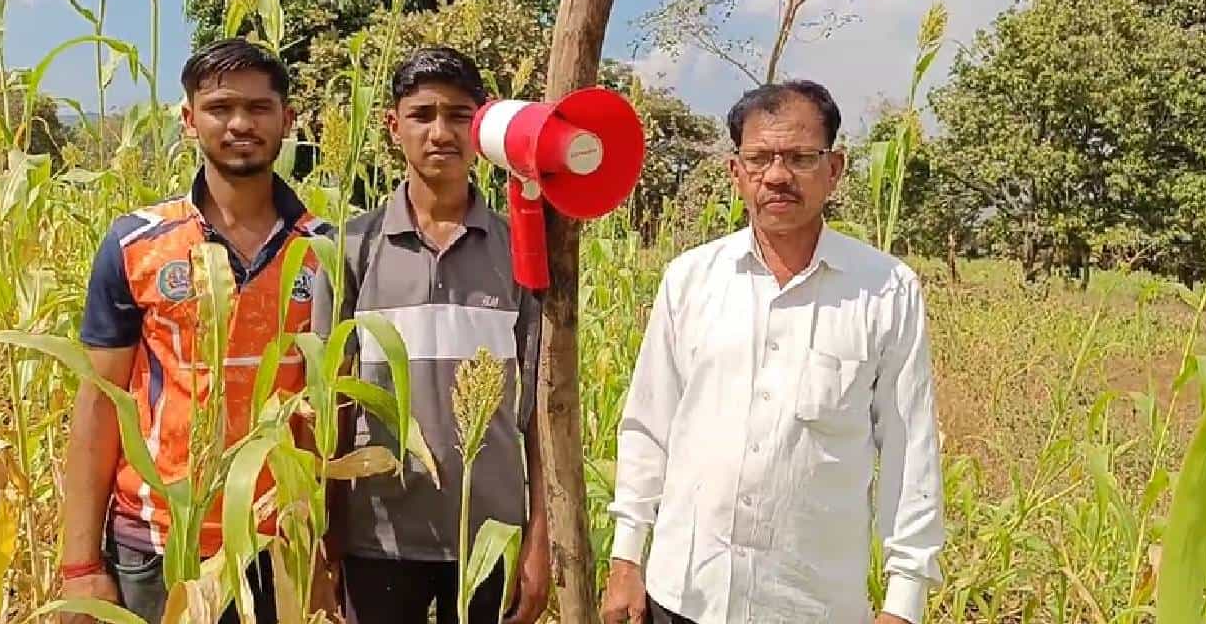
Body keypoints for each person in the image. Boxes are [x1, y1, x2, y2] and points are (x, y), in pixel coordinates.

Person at [600, 81, 946, 624]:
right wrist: (626, 556)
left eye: (801, 158)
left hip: (809, 604)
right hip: (686, 593)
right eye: (759, 158)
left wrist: (904, 601)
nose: (778, 176)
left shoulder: (886, 289)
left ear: (835, 169)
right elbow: (649, 425)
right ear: (736, 172)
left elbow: (912, 447)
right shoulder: (690, 279)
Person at [58, 38, 329, 624]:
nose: (240, 124)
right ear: (189, 120)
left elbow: (335, 411)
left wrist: (327, 551)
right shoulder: (137, 243)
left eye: (259, 109)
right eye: (220, 107)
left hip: (279, 544)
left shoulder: (327, 251)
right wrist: (80, 565)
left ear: (287, 119)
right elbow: (99, 406)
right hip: (156, 543)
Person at [312, 46, 550, 624]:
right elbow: (331, 410)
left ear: (482, 126)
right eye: (422, 115)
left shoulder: (521, 247)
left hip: (491, 535)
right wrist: (326, 543)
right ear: (394, 127)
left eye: (459, 116)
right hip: (380, 538)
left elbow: (543, 412)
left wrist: (541, 541)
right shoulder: (349, 247)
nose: (440, 132)